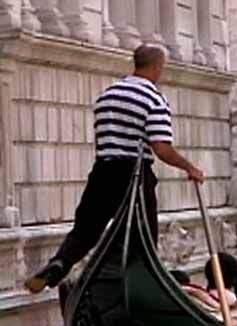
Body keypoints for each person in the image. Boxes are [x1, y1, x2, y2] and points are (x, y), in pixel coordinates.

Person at [24, 44, 205, 293]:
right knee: (143, 240)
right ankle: (140, 290)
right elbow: (161, 148)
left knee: (85, 231)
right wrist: (190, 168)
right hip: (135, 175)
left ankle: (60, 262)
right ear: (157, 66)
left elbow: (104, 141)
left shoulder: (106, 96)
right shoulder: (153, 98)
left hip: (102, 171)